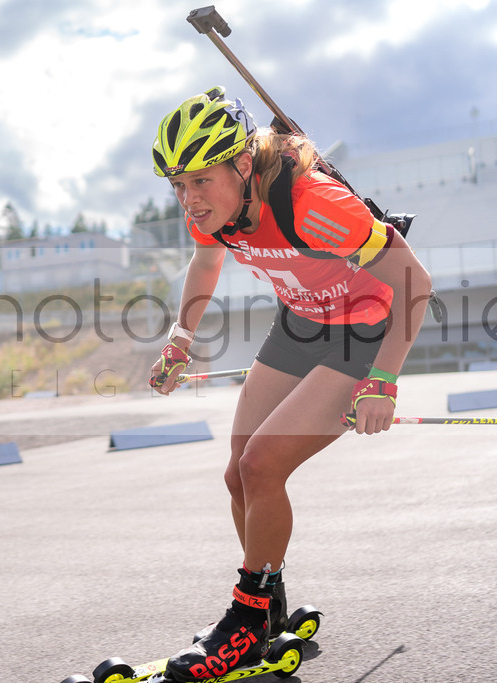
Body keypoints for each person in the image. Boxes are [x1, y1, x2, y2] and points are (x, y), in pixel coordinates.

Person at [147, 87, 431, 681]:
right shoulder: (218, 215)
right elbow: (204, 263)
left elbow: (413, 282)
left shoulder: (313, 202)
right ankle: (268, 603)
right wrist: (179, 337)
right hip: (301, 322)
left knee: (262, 465)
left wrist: (383, 381)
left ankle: (247, 623)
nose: (189, 200)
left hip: (364, 327)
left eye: (200, 181)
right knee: (237, 474)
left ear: (242, 165)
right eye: (178, 185)